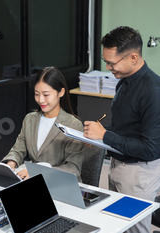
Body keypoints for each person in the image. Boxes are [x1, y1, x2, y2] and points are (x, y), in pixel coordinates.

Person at [84, 26, 160, 233]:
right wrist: (97, 136)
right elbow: (125, 128)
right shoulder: (124, 82)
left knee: (134, 230)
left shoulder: (153, 91)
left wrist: (106, 136)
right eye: (105, 61)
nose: (108, 68)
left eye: (112, 63)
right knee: (117, 225)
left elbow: (151, 149)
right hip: (118, 163)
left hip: (139, 172)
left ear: (133, 58)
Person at [1, 67, 85, 181]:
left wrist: (38, 172)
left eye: (46, 95)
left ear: (61, 92)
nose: (40, 100)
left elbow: (73, 168)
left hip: (60, 185)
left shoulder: (73, 124)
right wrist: (10, 164)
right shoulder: (30, 119)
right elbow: (18, 150)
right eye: (36, 94)